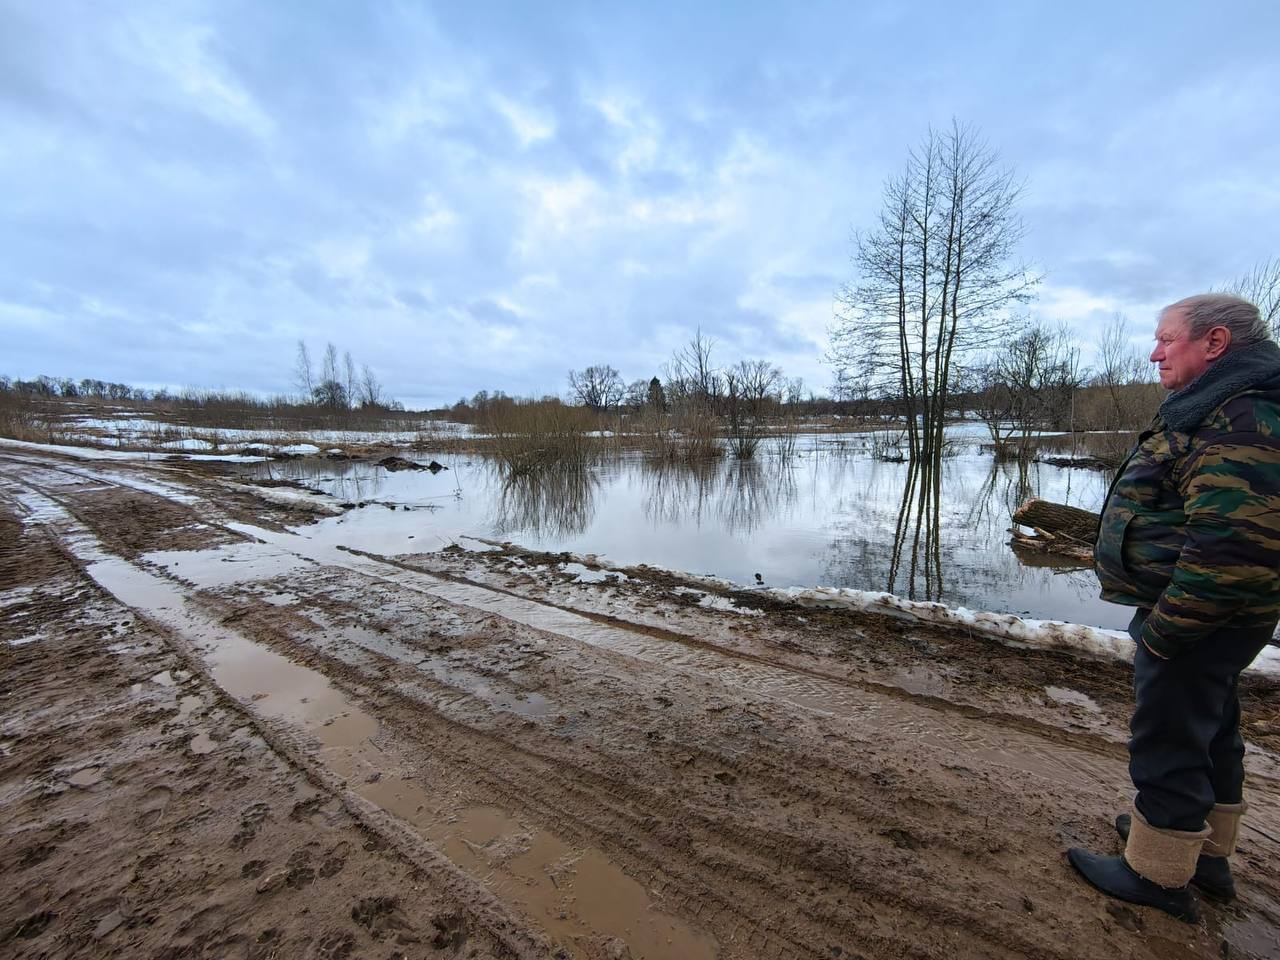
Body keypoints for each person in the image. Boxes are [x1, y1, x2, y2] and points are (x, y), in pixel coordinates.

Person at [1069, 293, 1280, 922]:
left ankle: (1157, 874)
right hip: (1211, 612)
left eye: (1167, 339)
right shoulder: (1225, 402)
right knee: (1209, 724)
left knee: (1169, 734)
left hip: (1199, 613)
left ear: (1214, 343)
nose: (1155, 351)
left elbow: (1234, 546)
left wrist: (1166, 633)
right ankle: (1202, 856)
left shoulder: (1241, 412)